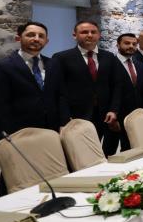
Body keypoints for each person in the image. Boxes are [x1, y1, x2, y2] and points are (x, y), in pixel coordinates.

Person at [48, 20, 121, 156]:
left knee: (98, 152)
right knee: (78, 155)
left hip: (103, 115)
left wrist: (113, 109)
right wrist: (65, 118)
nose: (89, 35)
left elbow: (116, 85)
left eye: (93, 32)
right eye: (84, 32)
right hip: (76, 116)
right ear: (74, 35)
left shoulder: (109, 57)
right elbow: (59, 91)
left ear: (99, 35)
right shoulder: (61, 58)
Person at [0, 22, 57, 136]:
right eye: (31, 35)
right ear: (18, 38)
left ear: (46, 41)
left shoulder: (53, 64)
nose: (36, 39)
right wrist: (6, 131)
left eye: (41, 36)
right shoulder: (3, 66)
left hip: (51, 129)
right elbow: (0, 103)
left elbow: (59, 95)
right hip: (18, 132)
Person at [114, 33, 143, 151]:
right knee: (111, 149)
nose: (131, 46)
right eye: (127, 43)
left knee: (134, 146)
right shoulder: (111, 64)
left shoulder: (140, 65)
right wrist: (113, 116)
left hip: (138, 114)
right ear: (118, 45)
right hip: (118, 115)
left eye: (134, 44)